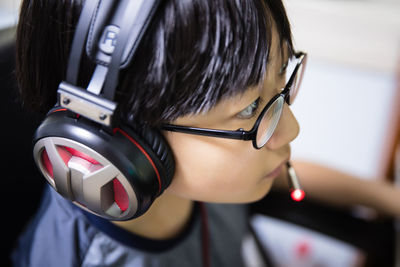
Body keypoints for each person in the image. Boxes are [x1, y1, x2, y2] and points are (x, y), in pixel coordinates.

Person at [11, 0, 400, 266]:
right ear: (127, 145)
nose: (291, 129)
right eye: (248, 109)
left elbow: (287, 177)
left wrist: (388, 198)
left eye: (283, 74)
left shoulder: (210, 175)